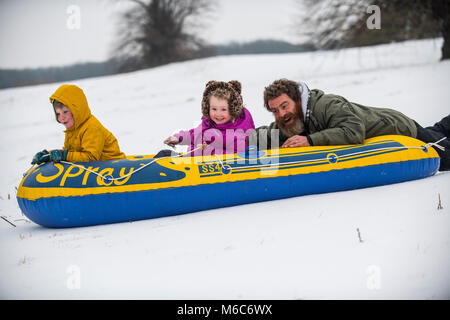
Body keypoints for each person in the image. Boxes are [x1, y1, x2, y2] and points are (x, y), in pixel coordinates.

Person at [250, 78, 450, 171]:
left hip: (400, 127)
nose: (281, 114)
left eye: (284, 106)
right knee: (439, 130)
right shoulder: (291, 121)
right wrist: (227, 138)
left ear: (298, 101)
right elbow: (268, 135)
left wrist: (310, 140)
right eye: (275, 110)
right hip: (395, 126)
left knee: (446, 157)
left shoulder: (326, 105)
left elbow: (353, 132)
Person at [31, 84, 126, 165]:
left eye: (65, 112)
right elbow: (71, 153)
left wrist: (64, 155)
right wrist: (49, 155)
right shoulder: (72, 130)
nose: (62, 117)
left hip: (112, 166)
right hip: (96, 169)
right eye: (58, 114)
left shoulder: (92, 127)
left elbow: (90, 157)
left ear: (77, 110)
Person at [162, 80, 255, 156]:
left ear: (232, 109)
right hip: (192, 162)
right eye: (214, 109)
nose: (218, 114)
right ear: (207, 108)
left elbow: (236, 156)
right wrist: (179, 138)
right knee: (164, 154)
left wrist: (208, 151)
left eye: (223, 109)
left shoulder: (237, 134)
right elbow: (195, 134)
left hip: (210, 171)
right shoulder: (210, 123)